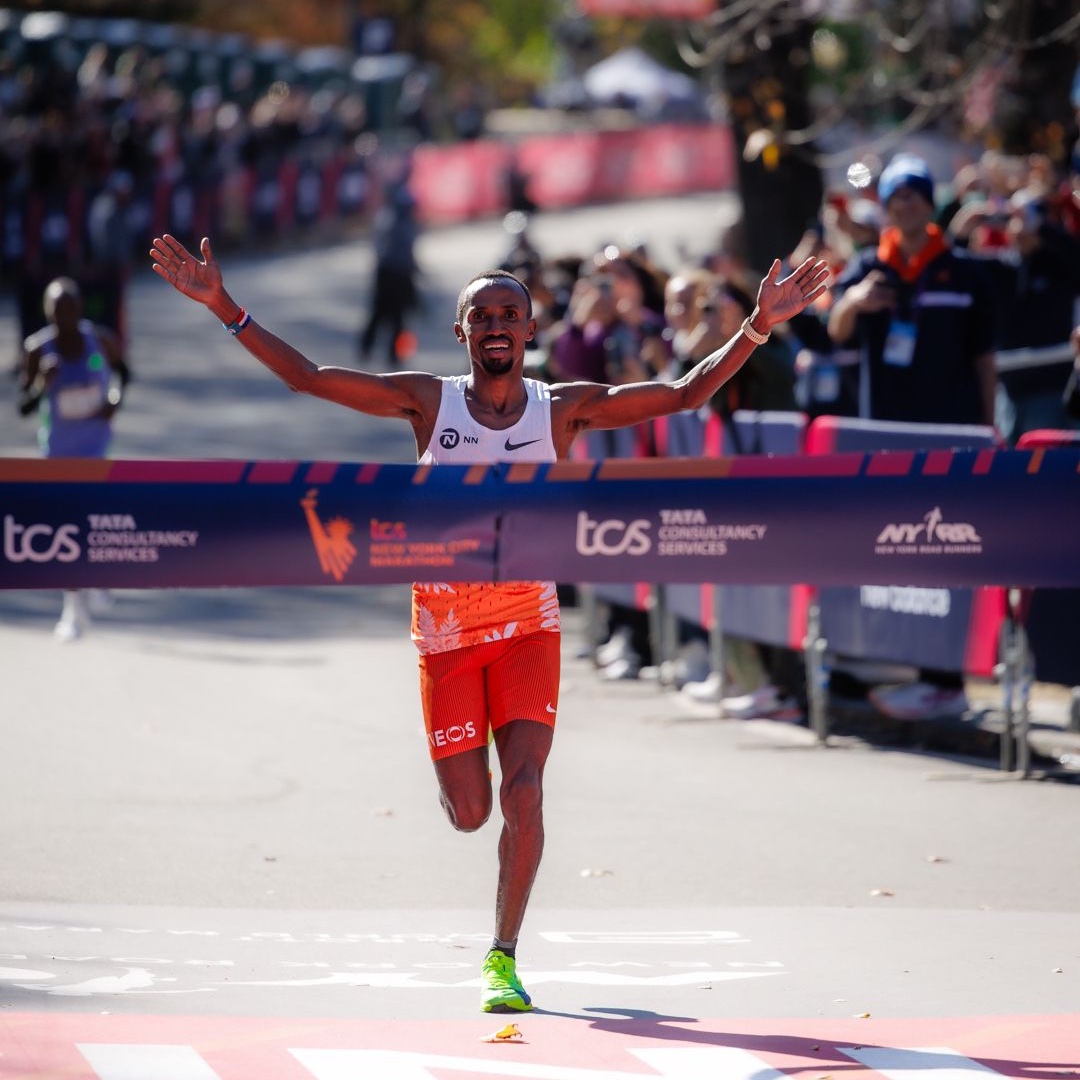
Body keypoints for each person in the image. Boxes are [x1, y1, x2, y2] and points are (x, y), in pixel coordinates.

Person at [150, 230, 829, 1013]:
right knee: (471, 813)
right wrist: (223, 306)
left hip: (527, 622)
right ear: (463, 333)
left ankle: (503, 957)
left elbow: (681, 394)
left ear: (530, 331)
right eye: (484, 315)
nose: (498, 325)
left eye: (512, 312)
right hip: (445, 631)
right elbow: (307, 379)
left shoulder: (561, 410)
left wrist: (757, 325)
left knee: (528, 791)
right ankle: (460, 781)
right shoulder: (427, 401)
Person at [827, 152, 998, 722]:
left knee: (945, 552)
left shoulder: (964, 270)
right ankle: (905, 667)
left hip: (951, 434)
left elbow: (984, 356)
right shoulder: (866, 267)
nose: (905, 204)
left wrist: (988, 421)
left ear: (930, 204)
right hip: (885, 435)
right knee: (893, 551)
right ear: (885, 204)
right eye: (896, 195)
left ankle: (945, 680)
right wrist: (853, 303)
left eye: (915, 195)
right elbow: (835, 332)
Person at [17, 277, 131, 641]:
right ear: (47, 312)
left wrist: (114, 400)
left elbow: (124, 374)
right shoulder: (38, 349)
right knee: (67, 526)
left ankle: (96, 579)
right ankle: (73, 608)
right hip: (58, 452)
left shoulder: (100, 340)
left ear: (80, 308)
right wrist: (41, 386)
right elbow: (23, 407)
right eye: (56, 310)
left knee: (92, 519)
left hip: (95, 447)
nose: (63, 317)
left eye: (69, 308)